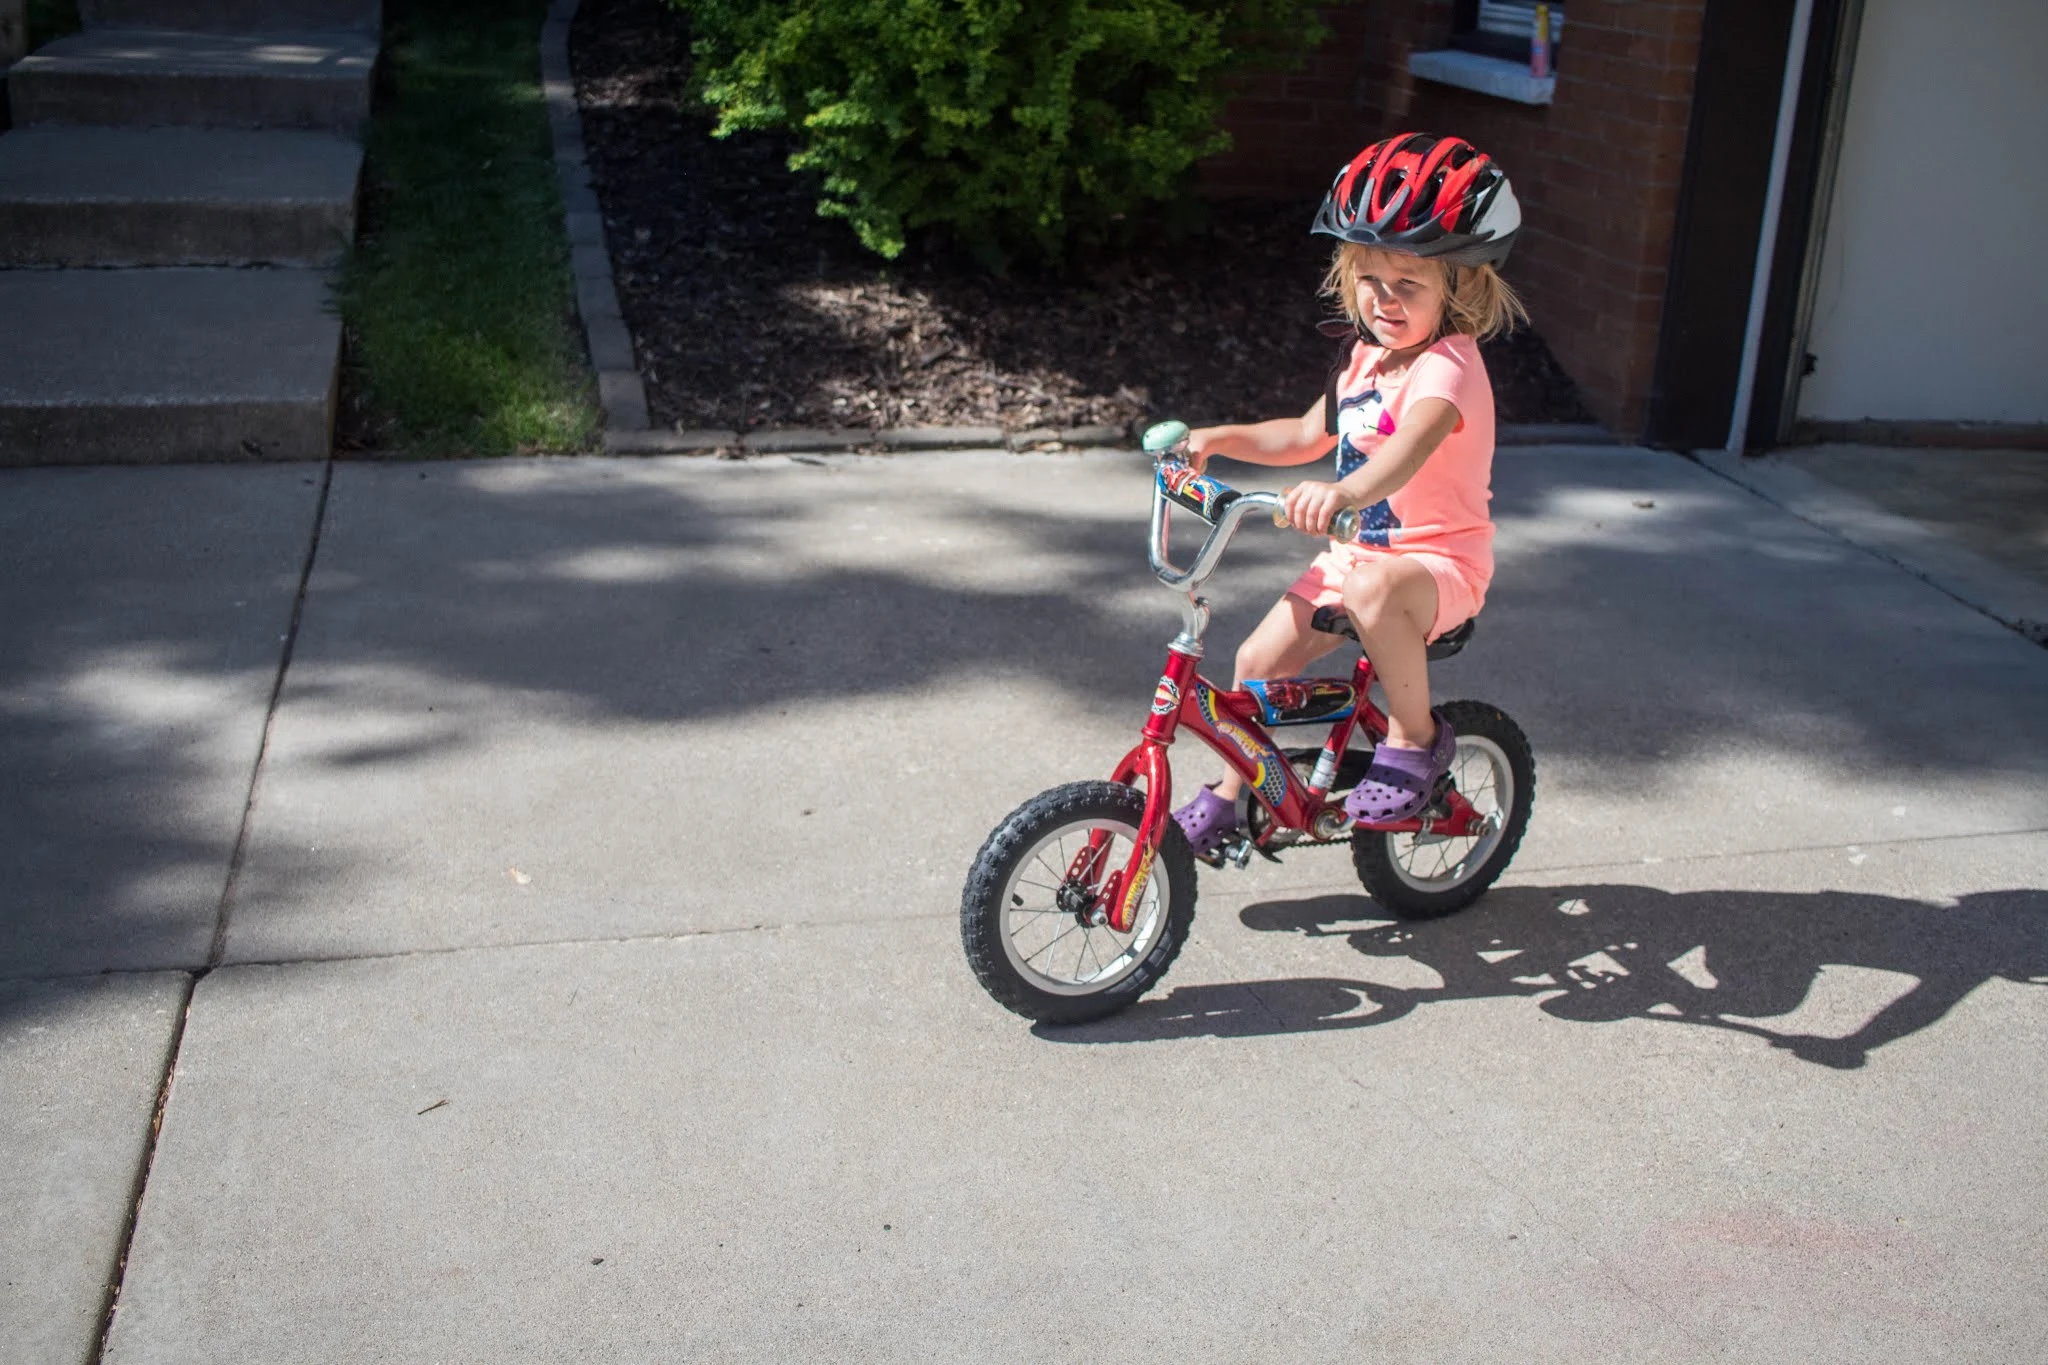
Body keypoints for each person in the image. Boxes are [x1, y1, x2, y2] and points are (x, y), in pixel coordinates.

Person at [1172, 132, 1527, 857]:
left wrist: (1342, 493)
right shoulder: (1365, 356)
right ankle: (1237, 798)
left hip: (1436, 564)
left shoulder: (1450, 369)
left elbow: (1404, 454)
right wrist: (1216, 438)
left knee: (1373, 593)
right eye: (1370, 279)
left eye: (1409, 285)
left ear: (1459, 286)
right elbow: (1305, 434)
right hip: (1356, 557)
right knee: (1253, 666)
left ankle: (1417, 742)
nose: (1385, 300)